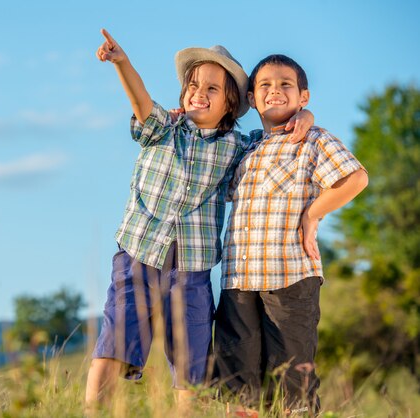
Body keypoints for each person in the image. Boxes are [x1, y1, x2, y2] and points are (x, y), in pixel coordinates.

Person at [86, 30, 313, 413]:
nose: (199, 93)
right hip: (138, 256)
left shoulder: (239, 146)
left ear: (230, 105)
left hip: (192, 272)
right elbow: (141, 102)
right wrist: (123, 63)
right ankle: (90, 411)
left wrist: (304, 114)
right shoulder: (164, 129)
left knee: (191, 363)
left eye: (212, 89)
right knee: (115, 342)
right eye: (193, 85)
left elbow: (279, 129)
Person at [212, 54, 369, 415]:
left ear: (304, 97)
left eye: (286, 85)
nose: (275, 91)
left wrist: (313, 215)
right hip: (238, 281)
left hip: (290, 277)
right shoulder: (245, 147)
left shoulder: (312, 139)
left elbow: (355, 178)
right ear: (252, 99)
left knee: (292, 380)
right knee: (238, 381)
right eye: (265, 86)